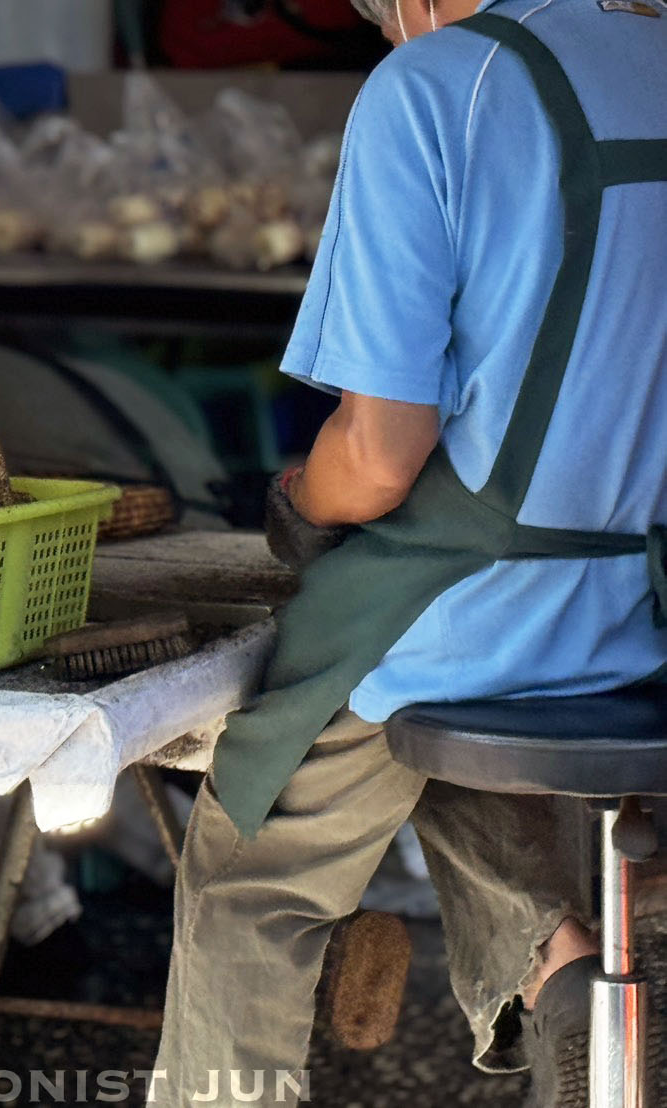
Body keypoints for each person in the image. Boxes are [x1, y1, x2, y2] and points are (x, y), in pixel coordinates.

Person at [147, 0, 667, 1102]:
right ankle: (558, 962)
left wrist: (302, 497)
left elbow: (380, 457)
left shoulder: (437, 87)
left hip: (480, 604)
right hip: (641, 615)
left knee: (253, 870)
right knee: (439, 727)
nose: (390, 37)